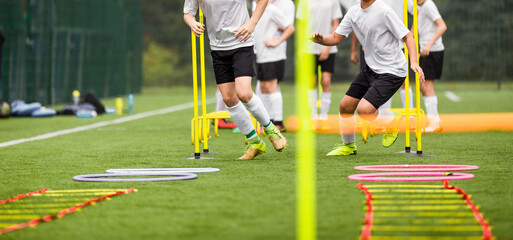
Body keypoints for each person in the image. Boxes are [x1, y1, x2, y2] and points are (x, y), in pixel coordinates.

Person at [310, 0, 425, 156]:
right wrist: (321, 40)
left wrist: (414, 62)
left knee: (364, 111)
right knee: (345, 107)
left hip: (393, 70)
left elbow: (408, 36)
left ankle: (393, 119)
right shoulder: (353, 12)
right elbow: (336, 38)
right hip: (371, 68)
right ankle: (349, 146)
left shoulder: (384, 11)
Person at [184, 0, 287, 160]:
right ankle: (254, 142)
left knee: (244, 92)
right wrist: (192, 22)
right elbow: (188, 12)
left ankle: (272, 130)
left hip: (242, 43)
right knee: (228, 98)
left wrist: (252, 23)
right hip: (217, 47)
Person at [350, 0, 414, 111]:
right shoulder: (362, 4)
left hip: (397, 44)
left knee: (403, 81)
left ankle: (409, 115)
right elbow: (356, 22)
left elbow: (416, 11)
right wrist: (358, 46)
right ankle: (384, 117)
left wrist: (410, 35)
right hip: (375, 48)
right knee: (377, 82)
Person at [296, 0, 343, 120]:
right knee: (312, 82)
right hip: (309, 48)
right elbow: (301, 25)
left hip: (329, 47)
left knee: (326, 81)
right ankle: (313, 115)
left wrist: (327, 48)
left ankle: (323, 115)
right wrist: (301, 46)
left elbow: (335, 24)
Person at [253, 0, 295, 132]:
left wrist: (276, 42)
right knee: (264, 87)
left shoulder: (271, 9)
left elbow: (290, 27)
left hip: (273, 55)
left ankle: (279, 122)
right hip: (261, 55)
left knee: (271, 86)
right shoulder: (257, 9)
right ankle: (268, 121)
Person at [416, 0, 447, 132]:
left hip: (432, 51)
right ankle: (435, 121)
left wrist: (428, 45)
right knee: (422, 86)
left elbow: (442, 26)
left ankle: (434, 123)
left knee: (426, 86)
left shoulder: (428, 5)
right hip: (425, 51)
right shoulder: (420, 7)